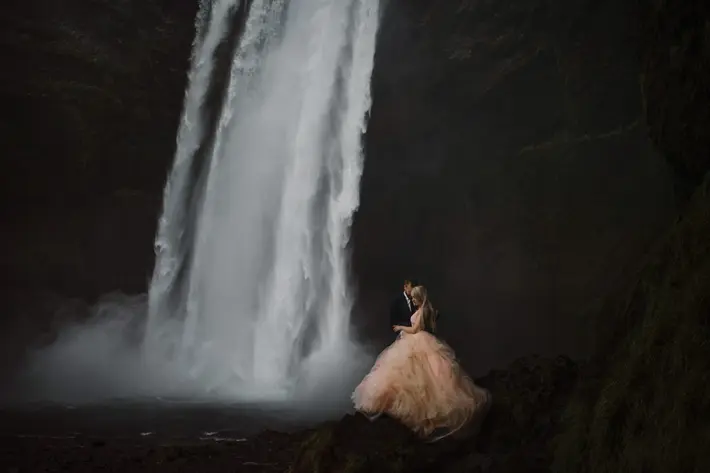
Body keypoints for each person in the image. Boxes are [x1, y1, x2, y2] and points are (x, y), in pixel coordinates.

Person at [352, 285, 491, 441]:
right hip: (416, 340)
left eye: (414, 298)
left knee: (422, 373)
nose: (412, 300)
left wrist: (400, 327)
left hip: (418, 340)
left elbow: (415, 329)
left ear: (420, 298)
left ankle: (424, 415)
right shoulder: (424, 310)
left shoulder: (423, 311)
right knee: (406, 370)